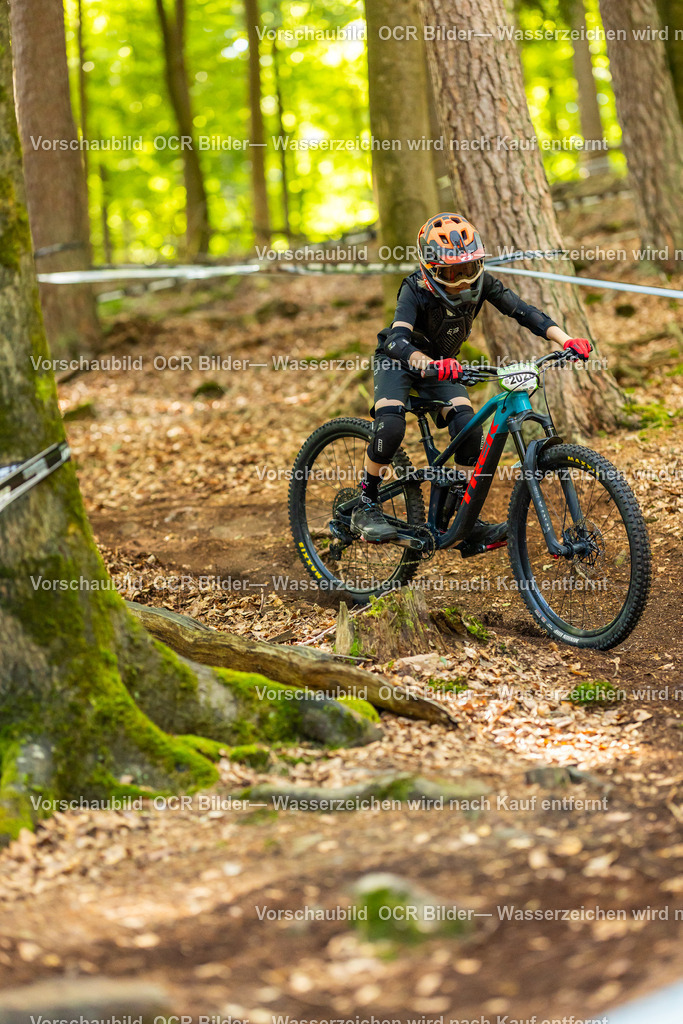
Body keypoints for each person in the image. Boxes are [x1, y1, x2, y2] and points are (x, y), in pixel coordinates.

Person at [351, 212, 592, 546]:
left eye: (468, 269)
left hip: (442, 365)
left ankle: (464, 524)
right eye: (453, 272)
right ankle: (366, 502)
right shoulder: (414, 289)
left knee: (469, 429)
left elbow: (524, 312)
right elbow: (395, 340)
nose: (463, 280)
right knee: (390, 426)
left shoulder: (484, 284)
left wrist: (565, 340)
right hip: (400, 362)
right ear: (432, 270)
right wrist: (427, 364)